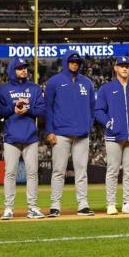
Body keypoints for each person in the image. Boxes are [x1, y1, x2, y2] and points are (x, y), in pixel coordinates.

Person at [44, 51, 96, 217]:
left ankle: (83, 204)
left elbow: (92, 108)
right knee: (58, 171)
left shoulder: (87, 83)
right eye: (72, 61)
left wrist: (88, 125)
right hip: (60, 132)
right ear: (66, 62)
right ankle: (55, 205)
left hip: (81, 134)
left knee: (81, 171)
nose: (75, 64)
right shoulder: (54, 82)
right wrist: (49, 130)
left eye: (77, 61)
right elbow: (49, 108)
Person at [95, 55, 129, 215]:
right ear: (115, 68)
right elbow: (98, 110)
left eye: (127, 65)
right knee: (113, 170)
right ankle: (111, 203)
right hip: (113, 136)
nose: (124, 68)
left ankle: (127, 203)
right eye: (121, 65)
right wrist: (109, 123)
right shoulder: (106, 88)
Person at [0, 57, 46, 220]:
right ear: (13, 70)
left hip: (30, 136)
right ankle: (8, 208)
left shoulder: (34, 88)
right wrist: (13, 108)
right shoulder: (4, 89)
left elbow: (41, 110)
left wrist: (28, 109)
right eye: (19, 68)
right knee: (10, 173)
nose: (24, 70)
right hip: (11, 136)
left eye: (25, 67)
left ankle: (32, 207)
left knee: (32, 173)